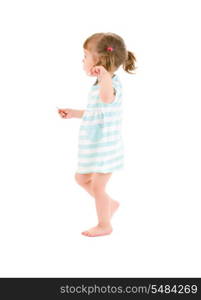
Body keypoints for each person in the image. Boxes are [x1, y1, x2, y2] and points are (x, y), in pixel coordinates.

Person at [58, 32, 137, 237]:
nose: (82, 60)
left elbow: (107, 98)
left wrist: (104, 76)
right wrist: (74, 113)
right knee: (81, 178)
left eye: (85, 56)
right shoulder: (100, 85)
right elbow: (97, 113)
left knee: (99, 187)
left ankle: (105, 224)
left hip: (106, 147)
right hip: (95, 146)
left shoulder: (110, 85)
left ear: (99, 62)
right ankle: (110, 204)